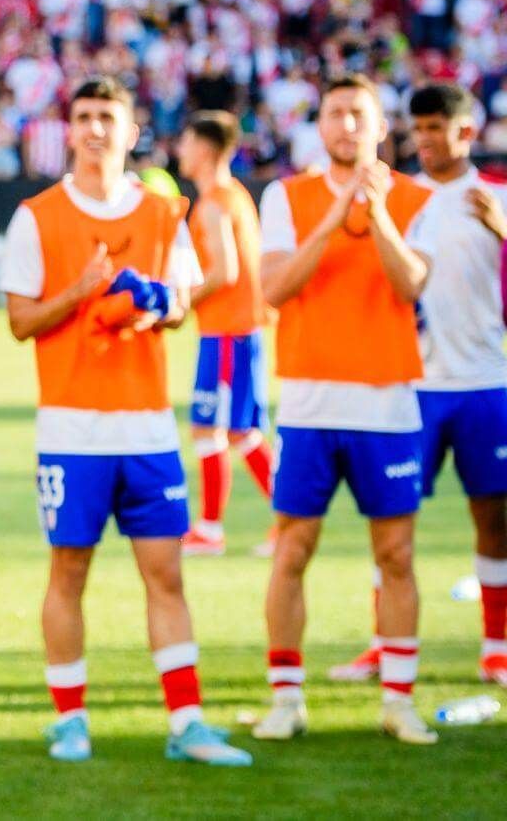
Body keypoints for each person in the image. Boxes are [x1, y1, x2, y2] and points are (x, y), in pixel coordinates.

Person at [0, 77, 251, 767]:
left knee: (166, 575)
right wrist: (80, 293)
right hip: (70, 430)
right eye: (82, 117)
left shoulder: (163, 215)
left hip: (146, 429)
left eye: (107, 117)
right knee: (68, 573)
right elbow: (20, 321)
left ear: (132, 129)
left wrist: (153, 306)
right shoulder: (37, 216)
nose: (94, 129)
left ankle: (187, 722)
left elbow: (178, 305)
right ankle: (69, 720)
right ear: (69, 129)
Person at [251, 74, 438, 745]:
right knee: (293, 550)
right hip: (308, 402)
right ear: (319, 125)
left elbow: (412, 282)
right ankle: (285, 698)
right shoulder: (286, 196)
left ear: (382, 127)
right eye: (336, 114)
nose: (348, 125)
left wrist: (377, 210)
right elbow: (274, 287)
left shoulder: (418, 199)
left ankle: (398, 699)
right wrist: (334, 216)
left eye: (360, 114)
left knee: (396, 554)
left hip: (388, 402)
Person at [326, 84, 507, 688]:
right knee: (393, 525)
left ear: (465, 132)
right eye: (419, 128)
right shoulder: (397, 195)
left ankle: (496, 647)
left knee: (495, 519)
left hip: (485, 380)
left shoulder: (496, 195)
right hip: (410, 384)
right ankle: (385, 645)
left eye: (438, 128)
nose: (426, 139)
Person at [174, 111, 275, 557]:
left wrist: (179, 301)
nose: (180, 150)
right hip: (230, 331)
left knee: (231, 432)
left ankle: (278, 521)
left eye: (186, 142)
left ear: (205, 149)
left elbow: (224, 271)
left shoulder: (216, 203)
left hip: (229, 333)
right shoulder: (233, 196)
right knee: (218, 429)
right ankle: (211, 528)